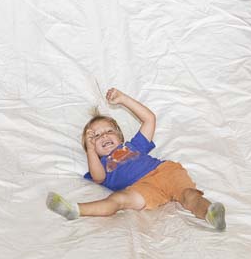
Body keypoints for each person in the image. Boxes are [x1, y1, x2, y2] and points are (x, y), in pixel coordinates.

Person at [46, 87, 226, 231]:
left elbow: (149, 119)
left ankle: (210, 213)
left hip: (166, 172)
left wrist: (123, 99)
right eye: (96, 137)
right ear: (91, 147)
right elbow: (99, 178)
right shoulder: (99, 165)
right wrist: (90, 150)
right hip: (142, 188)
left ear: (120, 137)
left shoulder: (132, 146)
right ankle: (75, 210)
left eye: (109, 131)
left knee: (189, 195)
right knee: (118, 199)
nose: (104, 136)